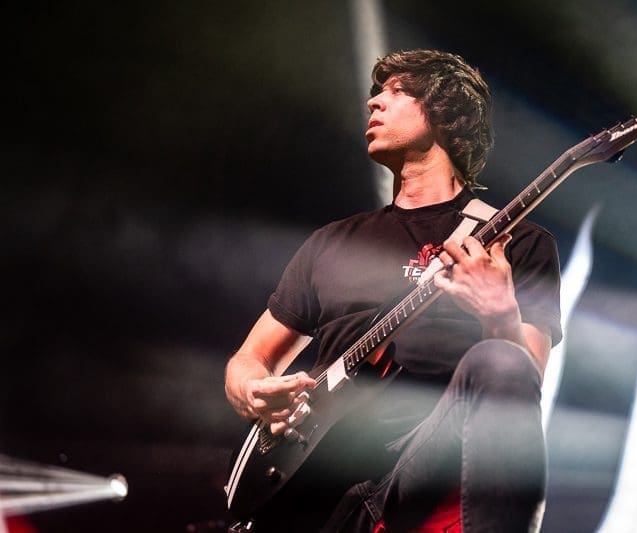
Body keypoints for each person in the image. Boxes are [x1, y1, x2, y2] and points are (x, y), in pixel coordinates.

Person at [224, 49, 562, 532]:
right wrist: (253, 392)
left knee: (499, 360)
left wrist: (499, 315)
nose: (374, 103)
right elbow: (249, 359)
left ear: (445, 112)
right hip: (313, 485)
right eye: (376, 93)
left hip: (418, 475)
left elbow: (519, 385)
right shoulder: (331, 242)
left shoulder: (515, 242)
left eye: (397, 92)